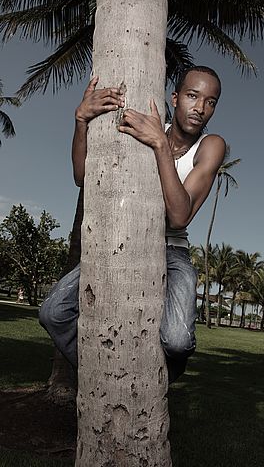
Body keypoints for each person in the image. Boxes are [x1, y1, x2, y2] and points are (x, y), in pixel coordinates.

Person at [39, 66, 226, 383]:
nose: (200, 107)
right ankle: (107, 375)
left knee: (178, 341)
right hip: (122, 242)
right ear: (175, 97)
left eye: (210, 101)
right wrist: (81, 120)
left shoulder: (210, 146)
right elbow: (82, 177)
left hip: (172, 251)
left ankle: (157, 381)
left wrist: (159, 145)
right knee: (53, 312)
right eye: (193, 96)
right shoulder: (148, 128)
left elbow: (179, 216)